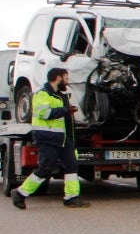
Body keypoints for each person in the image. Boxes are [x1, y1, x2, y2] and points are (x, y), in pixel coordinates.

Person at [11, 68, 89, 208]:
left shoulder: (59, 95)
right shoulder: (42, 94)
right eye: (65, 77)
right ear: (58, 78)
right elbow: (45, 114)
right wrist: (66, 110)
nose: (67, 80)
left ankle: (71, 197)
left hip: (63, 139)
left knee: (72, 166)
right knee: (45, 170)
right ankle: (20, 193)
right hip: (48, 139)